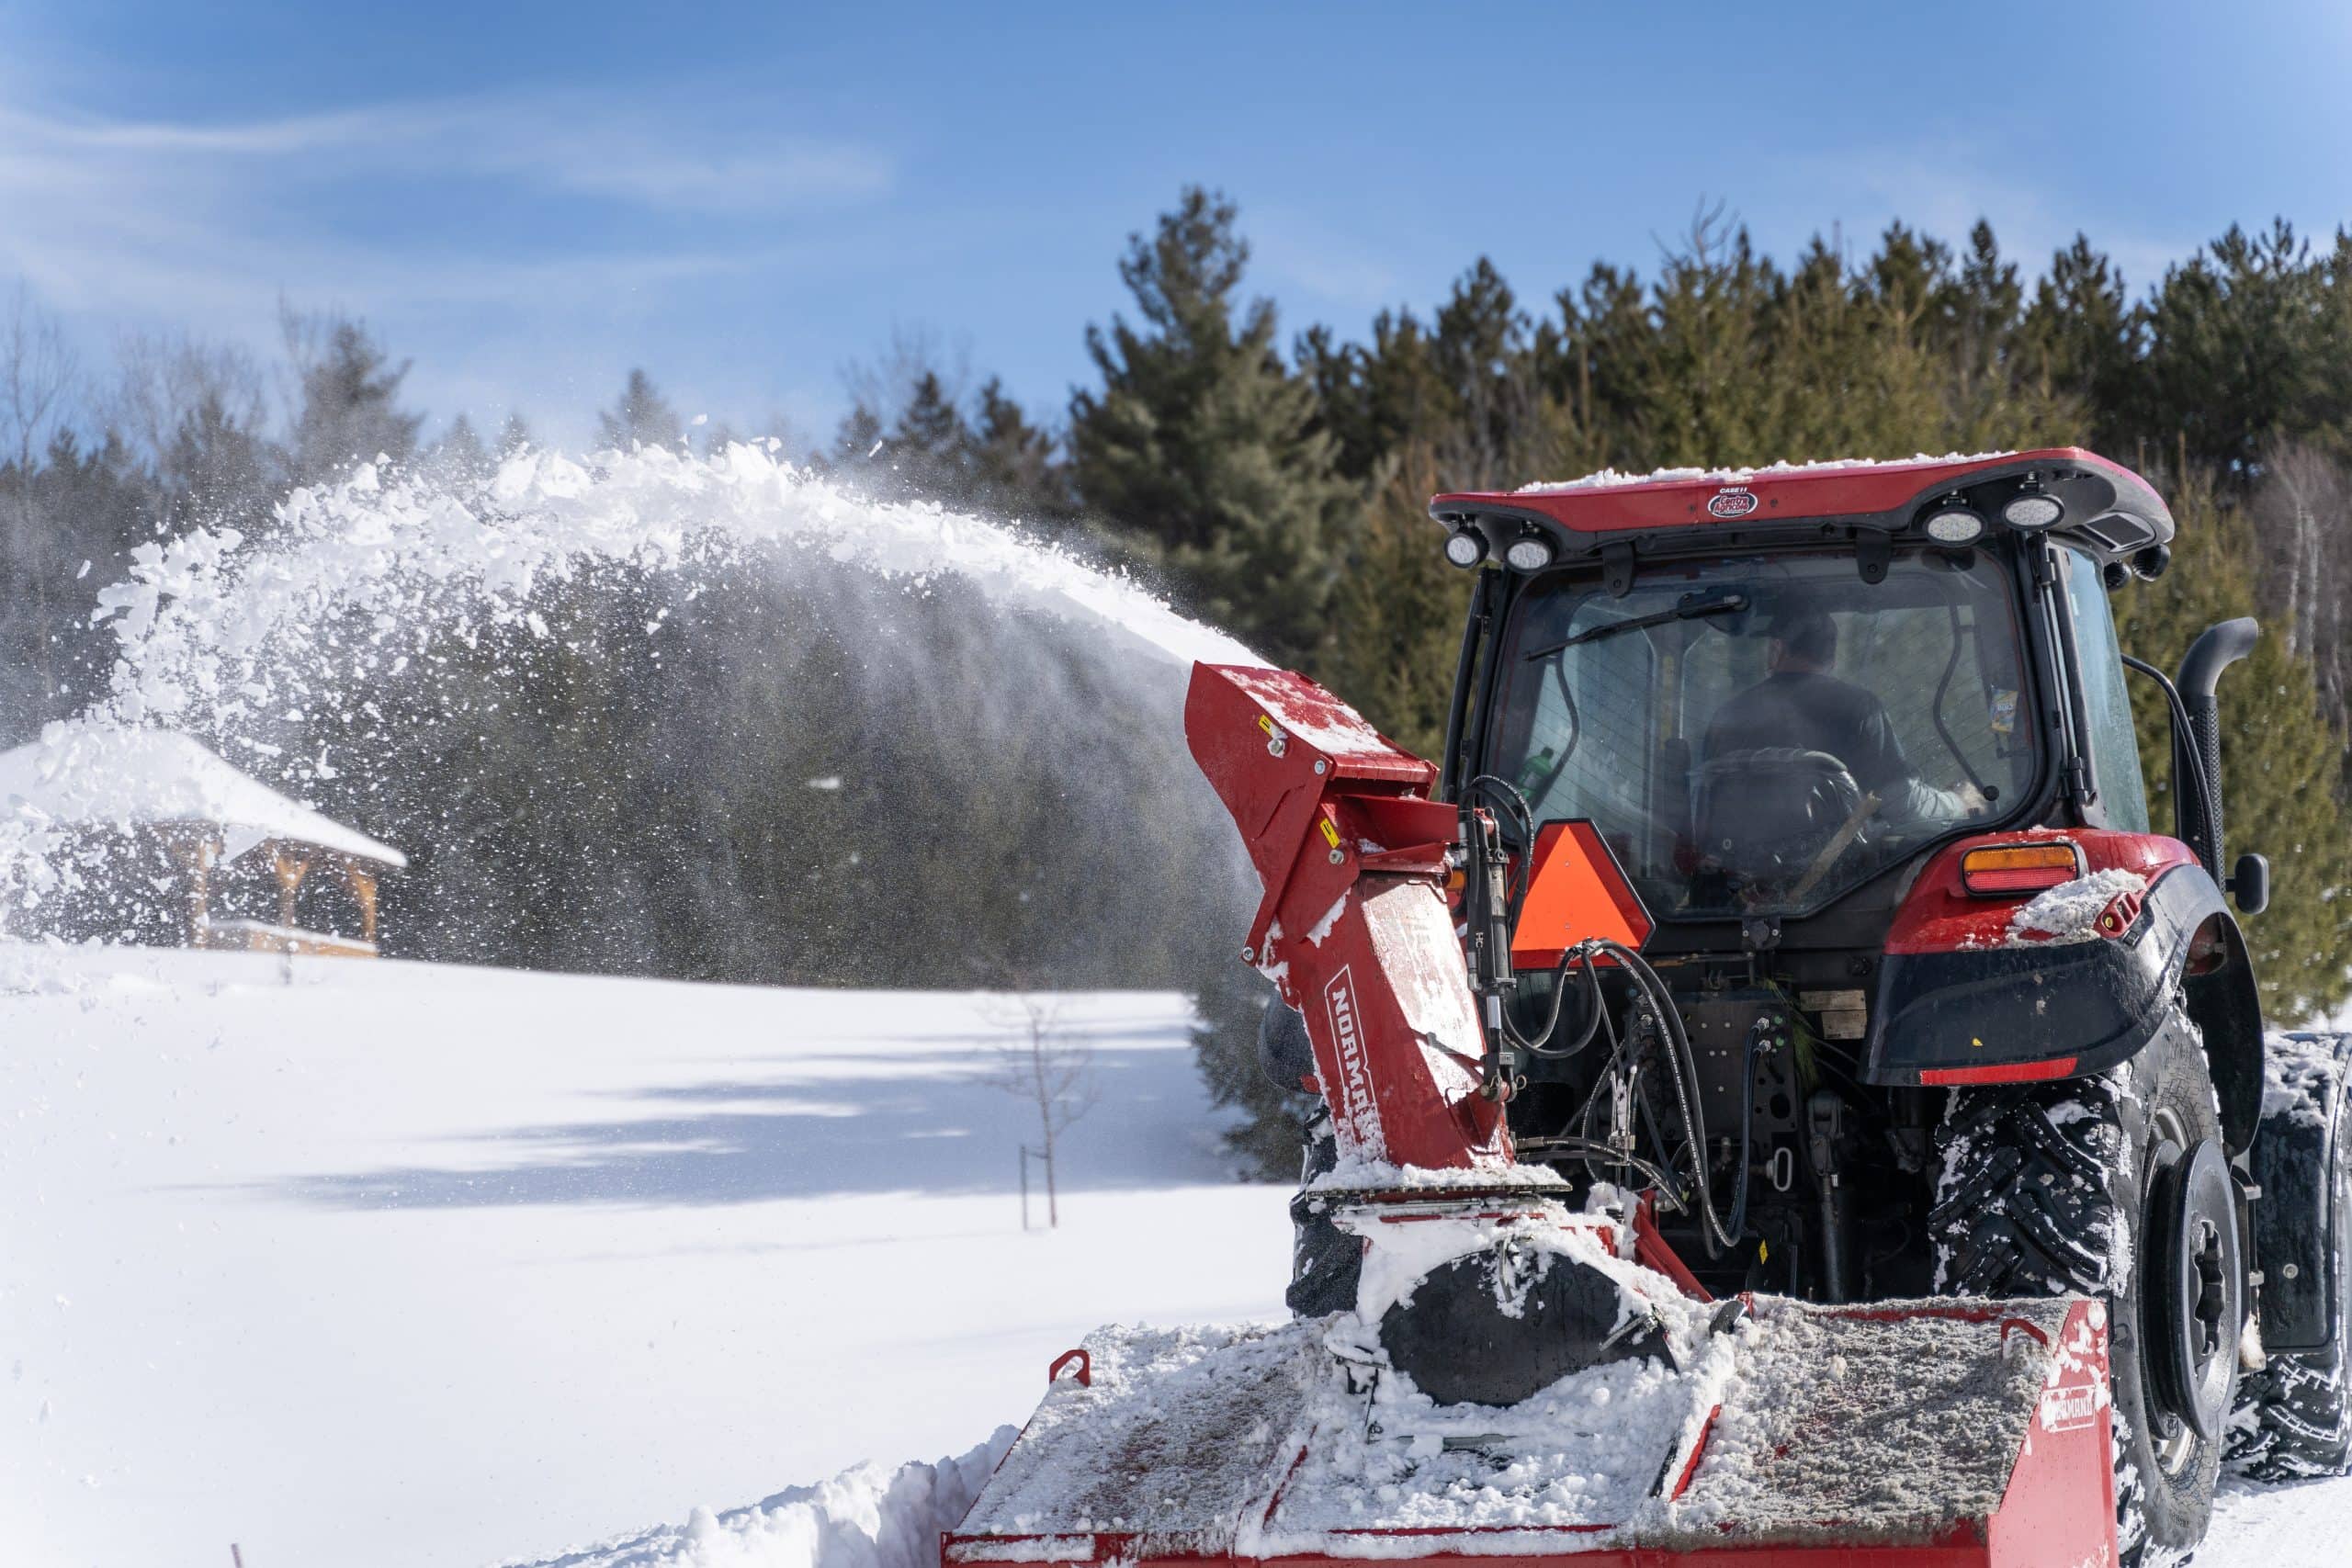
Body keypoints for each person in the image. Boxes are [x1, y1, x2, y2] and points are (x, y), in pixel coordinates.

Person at [1704, 609, 1980, 831]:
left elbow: (1703, 806)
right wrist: (1958, 802)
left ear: (1776, 649)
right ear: (1832, 659)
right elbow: (1902, 805)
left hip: (1737, 883)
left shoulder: (1728, 715)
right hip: (1843, 885)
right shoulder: (1860, 708)